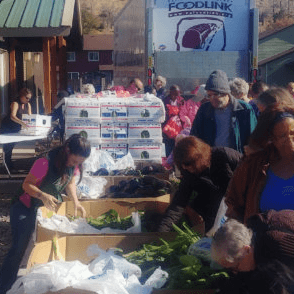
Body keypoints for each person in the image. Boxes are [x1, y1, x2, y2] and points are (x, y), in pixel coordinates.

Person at [0, 134, 91, 294]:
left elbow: (69, 182)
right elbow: (27, 185)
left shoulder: (72, 163)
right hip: (25, 206)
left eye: (79, 163)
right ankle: (4, 286)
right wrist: (42, 195)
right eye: (75, 161)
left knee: (44, 244)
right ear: (67, 150)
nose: (76, 165)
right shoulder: (44, 163)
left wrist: (75, 202)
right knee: (19, 246)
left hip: (45, 208)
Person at [225, 94, 294, 223]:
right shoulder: (255, 164)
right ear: (271, 139)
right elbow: (234, 203)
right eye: (282, 136)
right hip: (262, 240)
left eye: (293, 133)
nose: (290, 142)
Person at [157, 136, 242, 232]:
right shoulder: (189, 174)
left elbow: (251, 176)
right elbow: (178, 203)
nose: (184, 167)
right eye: (181, 164)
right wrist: (162, 232)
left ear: (199, 157)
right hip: (215, 212)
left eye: (188, 163)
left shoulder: (224, 155)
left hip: (240, 203)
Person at [211, 210, 294, 294]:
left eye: (234, 268)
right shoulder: (252, 234)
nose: (234, 272)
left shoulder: (278, 248)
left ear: (247, 250)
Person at [190, 70, 257, 154]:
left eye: (215, 95)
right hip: (211, 161)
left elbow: (254, 139)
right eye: (209, 95)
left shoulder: (244, 110)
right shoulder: (204, 110)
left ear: (226, 93)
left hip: (237, 162)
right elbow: (195, 136)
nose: (211, 98)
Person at [0, 88, 32, 170]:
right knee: (8, 146)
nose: (28, 100)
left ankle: (8, 164)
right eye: (27, 98)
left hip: (16, 127)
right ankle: (8, 165)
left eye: (29, 98)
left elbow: (30, 116)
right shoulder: (15, 103)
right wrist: (22, 122)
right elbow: (12, 116)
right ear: (22, 96)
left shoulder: (27, 105)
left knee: (12, 145)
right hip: (8, 126)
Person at [162, 85, 185, 157]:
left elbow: (183, 112)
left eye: (177, 95)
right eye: (174, 94)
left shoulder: (181, 100)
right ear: (170, 93)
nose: (175, 97)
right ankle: (169, 164)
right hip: (168, 128)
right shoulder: (165, 100)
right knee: (169, 146)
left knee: (178, 146)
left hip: (178, 127)